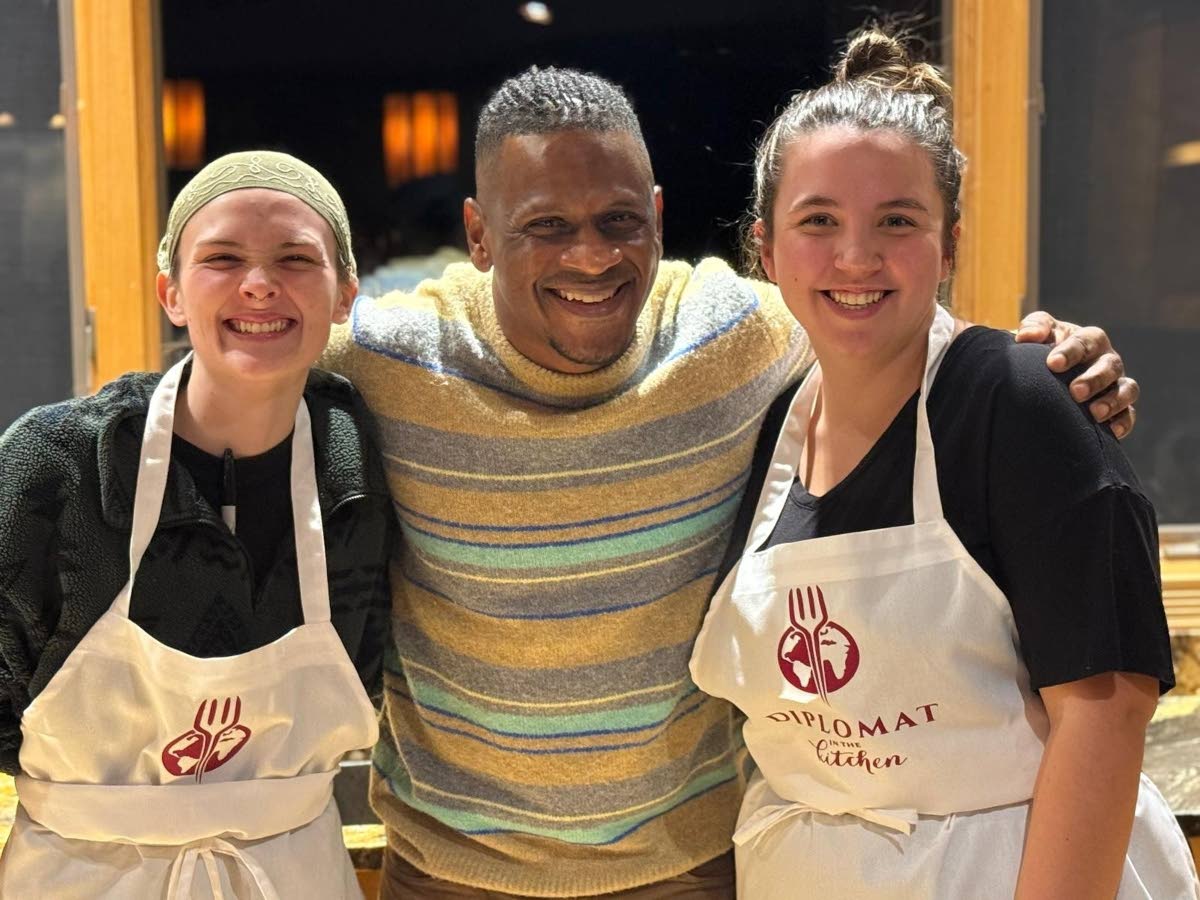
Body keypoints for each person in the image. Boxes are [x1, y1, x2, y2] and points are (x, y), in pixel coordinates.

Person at [322, 67, 1142, 899]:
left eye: (619, 221)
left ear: (659, 214)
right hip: (450, 871)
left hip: (694, 868)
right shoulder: (388, 358)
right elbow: (242, 367)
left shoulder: (738, 334)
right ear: (479, 233)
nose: (592, 256)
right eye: (546, 226)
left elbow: (882, 315)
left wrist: (1054, 368)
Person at [688, 30, 1199, 899]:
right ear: (766, 253)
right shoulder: (772, 422)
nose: (856, 256)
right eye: (819, 221)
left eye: (898, 220)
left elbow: (1107, 713)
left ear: (950, 245)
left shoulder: (1023, 405)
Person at [0, 151, 393, 898]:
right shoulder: (59, 465)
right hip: (82, 875)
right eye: (222, 258)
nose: (259, 282)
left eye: (295, 258)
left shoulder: (362, 464)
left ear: (344, 295)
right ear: (171, 293)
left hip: (294, 872)